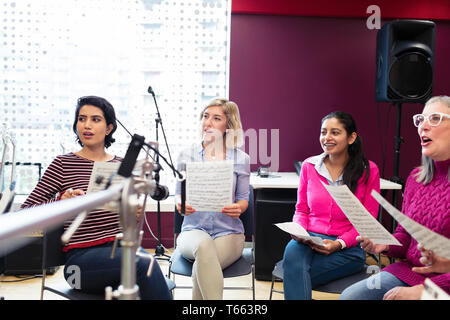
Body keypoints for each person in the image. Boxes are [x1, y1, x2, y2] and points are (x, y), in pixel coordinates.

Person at [21, 96, 171, 300]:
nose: (87, 125)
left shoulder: (122, 166)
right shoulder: (63, 164)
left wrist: (132, 212)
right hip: (79, 263)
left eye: (95, 119)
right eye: (82, 119)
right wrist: (60, 202)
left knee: (147, 268)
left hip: (120, 248)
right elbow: (26, 209)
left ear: (109, 128)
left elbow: (127, 221)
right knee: (145, 265)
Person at [339, 95, 450, 300]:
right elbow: (405, 236)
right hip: (408, 271)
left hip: (443, 285)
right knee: (350, 297)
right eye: (420, 120)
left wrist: (425, 292)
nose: (423, 127)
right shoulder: (416, 179)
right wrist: (385, 245)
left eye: (434, 119)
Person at [282, 111, 380, 300]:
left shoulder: (369, 170)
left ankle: (295, 275)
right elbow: (301, 209)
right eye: (323, 132)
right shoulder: (309, 166)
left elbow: (367, 221)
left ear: (351, 138)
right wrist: (300, 231)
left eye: (335, 132)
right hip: (309, 239)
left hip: (348, 248)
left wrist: (339, 243)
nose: (327, 138)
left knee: (294, 272)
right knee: (292, 255)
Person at [174, 97, 250, 300]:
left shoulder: (241, 159)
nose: (208, 122)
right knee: (204, 246)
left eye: (216, 118)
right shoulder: (186, 155)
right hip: (193, 231)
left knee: (203, 264)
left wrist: (239, 208)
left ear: (229, 125)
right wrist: (181, 204)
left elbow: (243, 198)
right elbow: (178, 194)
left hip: (230, 233)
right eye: (205, 116)